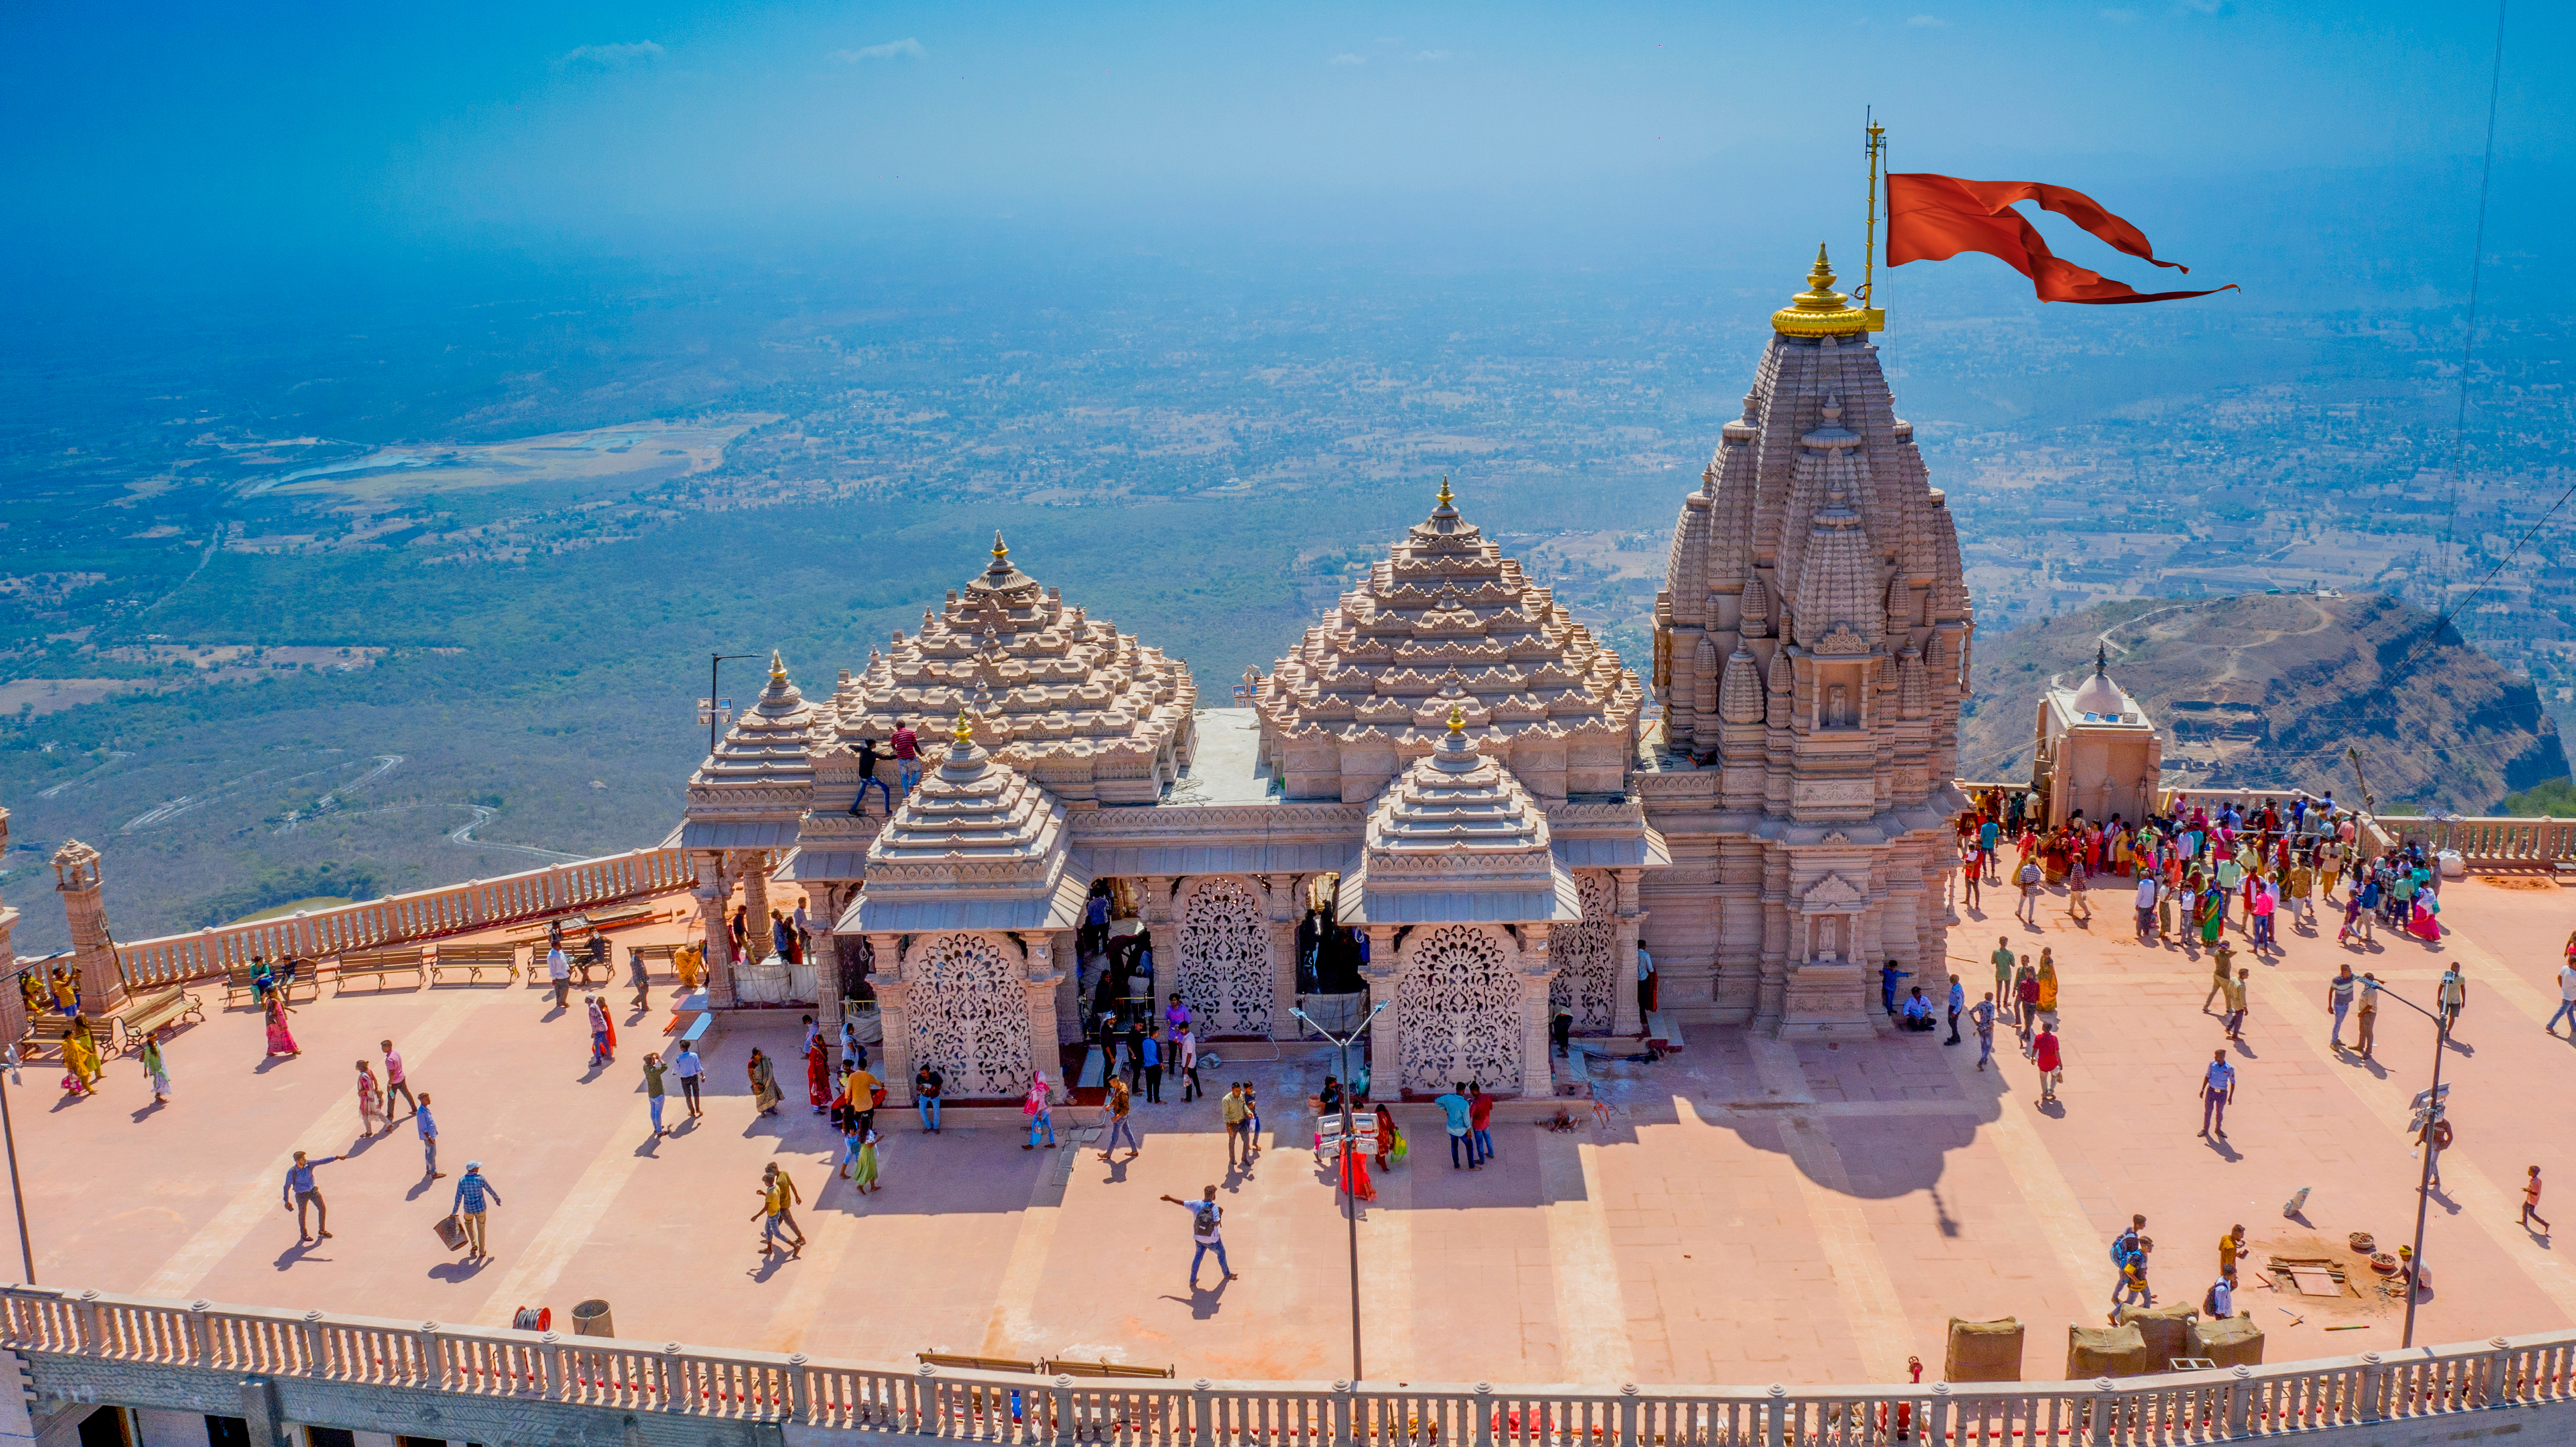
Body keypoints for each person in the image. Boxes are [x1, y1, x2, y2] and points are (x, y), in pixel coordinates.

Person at [1162, 1185, 1236, 1289]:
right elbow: (1216, 1223)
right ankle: (1227, 1274)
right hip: (1213, 1241)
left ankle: (1192, 1280)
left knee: (1198, 1258)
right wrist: (1220, 1214)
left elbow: (1182, 1203)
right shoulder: (1214, 1208)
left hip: (1199, 1238)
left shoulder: (1196, 1204)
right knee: (1222, 1254)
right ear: (1213, 1195)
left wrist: (1170, 1199)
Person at [281, 1150, 341, 1241]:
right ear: (298, 1161)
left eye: (304, 1158)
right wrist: (286, 1201)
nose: (305, 1159)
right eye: (302, 1159)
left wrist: (336, 1158)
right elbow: (287, 1187)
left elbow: (321, 1161)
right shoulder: (292, 1172)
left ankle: (322, 1230)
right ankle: (304, 1235)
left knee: (322, 1208)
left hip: (313, 1191)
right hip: (301, 1195)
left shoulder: (309, 1165)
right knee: (303, 1214)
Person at [451, 1161, 500, 1258]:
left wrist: (454, 1212)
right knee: (481, 1229)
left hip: (468, 1210)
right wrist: (496, 1198)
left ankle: (474, 1245)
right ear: (475, 1169)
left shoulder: (462, 1181)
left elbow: (458, 1197)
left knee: (469, 1225)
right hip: (481, 1208)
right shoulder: (480, 1179)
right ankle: (482, 1251)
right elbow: (489, 1189)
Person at [752, 1164, 801, 1257]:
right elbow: (779, 1193)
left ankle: (796, 1244)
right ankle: (769, 1246)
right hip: (777, 1209)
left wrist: (756, 1216)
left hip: (776, 1212)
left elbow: (768, 1205)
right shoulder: (778, 1184)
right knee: (768, 1228)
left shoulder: (776, 1187)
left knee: (780, 1230)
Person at [1436, 1082, 1477, 1169]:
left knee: (1454, 1146)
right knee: (1469, 1146)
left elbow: (1437, 1101)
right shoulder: (1465, 1104)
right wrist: (1469, 1130)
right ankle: (1472, 1166)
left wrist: (1446, 1110)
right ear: (1463, 1091)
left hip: (1451, 1128)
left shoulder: (1448, 1097)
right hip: (1461, 1130)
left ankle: (1457, 1165)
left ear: (1456, 1089)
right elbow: (1466, 1119)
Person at [850, 736, 892, 815]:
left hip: (862, 777)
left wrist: (860, 749)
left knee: (861, 793)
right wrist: (897, 756)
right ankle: (887, 810)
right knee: (886, 789)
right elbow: (887, 758)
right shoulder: (873, 754)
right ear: (873, 745)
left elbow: (851, 746)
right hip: (869, 778)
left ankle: (852, 810)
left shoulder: (863, 750)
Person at [1101, 1077, 1140, 1160]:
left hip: (1121, 1117)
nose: (1110, 1085)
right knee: (1128, 1132)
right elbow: (1116, 1099)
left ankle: (1108, 1154)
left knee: (1114, 1137)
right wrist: (1110, 1105)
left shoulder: (1123, 1092)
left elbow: (1126, 1108)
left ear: (1115, 1082)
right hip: (1123, 1117)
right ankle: (1134, 1151)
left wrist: (1117, 1117)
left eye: (1111, 1083)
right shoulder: (1119, 1087)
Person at [2200, 1050, 2236, 1140]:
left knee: (2219, 1112)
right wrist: (2203, 1089)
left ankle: (2218, 1129)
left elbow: (2233, 1083)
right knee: (2208, 1111)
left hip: (2222, 1094)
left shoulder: (2229, 1069)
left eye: (2217, 1056)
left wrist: (2230, 1097)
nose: (2215, 1058)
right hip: (2211, 1091)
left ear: (2222, 1057)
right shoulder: (2212, 1065)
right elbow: (2207, 1076)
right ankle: (2205, 1130)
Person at [382, 1039, 417, 1118]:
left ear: (387, 1048)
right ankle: (414, 1108)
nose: (382, 1049)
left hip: (394, 1082)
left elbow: (392, 1073)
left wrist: (390, 1084)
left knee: (391, 1097)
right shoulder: (396, 1053)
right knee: (407, 1094)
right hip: (401, 1078)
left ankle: (390, 1115)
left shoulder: (389, 1060)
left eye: (383, 1047)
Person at [1023, 1069, 1056, 1149]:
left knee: (1034, 1126)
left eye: (1034, 1077)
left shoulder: (1038, 1089)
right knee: (1049, 1126)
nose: (1034, 1079)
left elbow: (1040, 1102)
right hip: (1048, 1109)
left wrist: (1040, 1114)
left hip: (1042, 1111)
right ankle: (1052, 1143)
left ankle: (1031, 1145)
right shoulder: (1045, 1086)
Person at [2328, 963, 2358, 1049]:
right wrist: (2330, 1006)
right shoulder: (2337, 980)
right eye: (2349, 971)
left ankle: (2336, 1038)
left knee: (2340, 1022)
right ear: (2344, 972)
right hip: (2339, 1005)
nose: (2351, 972)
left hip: (2346, 1004)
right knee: (2338, 1023)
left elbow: (2362, 978)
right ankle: (2333, 1042)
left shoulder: (2351, 977)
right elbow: (2331, 992)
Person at [262, 991, 300, 1058]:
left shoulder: (269, 1000)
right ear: (271, 993)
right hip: (278, 1022)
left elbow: (281, 1007)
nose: (277, 993)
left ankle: (270, 1051)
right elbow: (274, 1013)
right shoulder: (273, 1001)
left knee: (274, 1036)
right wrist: (279, 1024)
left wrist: (291, 1010)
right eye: (275, 992)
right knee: (285, 1034)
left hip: (271, 1022)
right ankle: (293, 1049)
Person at [891, 717, 922, 795]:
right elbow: (915, 745)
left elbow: (893, 745)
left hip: (901, 760)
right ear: (904, 726)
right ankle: (911, 784)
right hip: (911, 758)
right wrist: (921, 754)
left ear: (898, 727)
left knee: (904, 777)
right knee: (918, 771)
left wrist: (896, 748)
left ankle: (906, 794)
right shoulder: (911, 733)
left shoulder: (895, 735)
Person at [674, 1039, 704, 1118]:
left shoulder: (679, 1058)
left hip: (685, 1079)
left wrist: (674, 1073)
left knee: (688, 1096)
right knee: (696, 1093)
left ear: (682, 1048)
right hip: (694, 1077)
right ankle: (698, 1109)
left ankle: (692, 1111)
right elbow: (698, 1066)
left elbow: (676, 1070)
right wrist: (702, 1076)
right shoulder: (694, 1055)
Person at [747, 1047, 782, 1117]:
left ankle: (773, 1109)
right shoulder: (752, 1063)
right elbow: (750, 1075)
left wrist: (772, 1079)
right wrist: (754, 1084)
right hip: (759, 1084)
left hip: (768, 1082)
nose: (761, 1055)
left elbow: (770, 1068)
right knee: (761, 1098)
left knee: (771, 1095)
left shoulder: (765, 1060)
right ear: (754, 1055)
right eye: (759, 1054)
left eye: (761, 1053)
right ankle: (762, 1112)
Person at [2033, 1023, 2063, 1104]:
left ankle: (2045, 1093)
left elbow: (2035, 1049)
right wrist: (2060, 1063)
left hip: (2043, 1062)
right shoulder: (2054, 1039)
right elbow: (2057, 1052)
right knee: (2055, 1076)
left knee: (2043, 1079)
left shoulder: (2039, 1038)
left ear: (2043, 1028)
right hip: (2053, 1061)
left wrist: (2033, 1057)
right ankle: (2051, 1091)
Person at [1222, 1082, 1250, 1167]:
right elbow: (1225, 1115)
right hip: (1233, 1124)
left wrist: (1248, 1112)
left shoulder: (1242, 1095)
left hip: (1242, 1122)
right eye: (1237, 1091)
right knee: (1232, 1142)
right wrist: (1228, 1127)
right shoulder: (1227, 1100)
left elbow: (1244, 1105)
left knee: (1247, 1140)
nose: (1239, 1092)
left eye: (1240, 1090)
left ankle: (1244, 1158)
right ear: (1233, 1090)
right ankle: (1232, 1159)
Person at [417, 1093, 443, 1178]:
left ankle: (428, 1168)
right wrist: (429, 1138)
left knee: (428, 1151)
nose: (429, 1100)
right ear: (422, 1101)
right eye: (427, 1099)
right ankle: (434, 1172)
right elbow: (423, 1127)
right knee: (432, 1153)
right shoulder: (421, 1112)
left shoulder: (426, 1109)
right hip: (429, 1137)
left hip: (432, 1135)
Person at [2355, 973, 2381, 1060]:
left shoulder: (2372, 991)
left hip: (2369, 1013)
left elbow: (2369, 1006)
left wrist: (2362, 1013)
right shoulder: (2367, 987)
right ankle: (2360, 1046)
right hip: (2363, 1012)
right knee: (2362, 1030)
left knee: (2368, 1032)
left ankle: (2368, 1052)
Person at [1469, 1082, 1496, 1163]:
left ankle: (1482, 1160)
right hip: (1486, 1122)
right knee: (1488, 1138)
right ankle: (1491, 1154)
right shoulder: (1488, 1097)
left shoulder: (1475, 1104)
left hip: (1478, 1125)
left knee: (1479, 1142)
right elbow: (1491, 1107)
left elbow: (1470, 1115)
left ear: (1474, 1092)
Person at [2221, 968, 2251, 1043]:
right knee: (2239, 1021)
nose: (2248, 975)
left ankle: (2228, 1028)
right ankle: (2235, 1036)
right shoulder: (2241, 986)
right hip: (2239, 1005)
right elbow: (2242, 998)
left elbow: (2229, 989)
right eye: (2247, 974)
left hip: (2233, 1002)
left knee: (2237, 1016)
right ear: (2244, 975)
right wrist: (2245, 1008)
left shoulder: (2234, 979)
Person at [353, 1059, 382, 1134]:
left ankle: (369, 1132)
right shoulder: (369, 1071)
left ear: (359, 1067)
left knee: (365, 1114)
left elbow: (367, 1088)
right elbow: (375, 1080)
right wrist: (376, 1089)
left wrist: (360, 1092)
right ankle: (388, 1124)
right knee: (377, 1111)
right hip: (372, 1096)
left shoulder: (363, 1077)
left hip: (366, 1098)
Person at [1971, 991, 1998, 1071]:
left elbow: (1971, 1012)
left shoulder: (1980, 1005)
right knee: (1989, 1046)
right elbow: (1991, 1017)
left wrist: (1975, 1021)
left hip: (1981, 1027)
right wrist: (1992, 1026)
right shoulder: (1992, 1007)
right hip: (1988, 1028)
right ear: (1992, 998)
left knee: (1983, 1043)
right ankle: (1981, 1062)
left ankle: (1985, 1058)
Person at [585, 995, 614, 1068]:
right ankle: (609, 1056)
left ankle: (598, 1061)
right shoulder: (595, 1006)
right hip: (603, 1027)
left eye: (586, 998)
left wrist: (594, 1032)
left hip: (599, 1029)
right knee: (605, 1042)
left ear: (589, 1000)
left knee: (597, 1045)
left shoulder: (592, 1008)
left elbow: (595, 1021)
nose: (585, 1000)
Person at [807, 1039, 834, 1115]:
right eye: (821, 1040)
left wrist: (824, 1048)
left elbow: (826, 1057)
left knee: (822, 1087)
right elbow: (812, 1065)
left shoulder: (820, 1049)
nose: (823, 1041)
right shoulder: (814, 1051)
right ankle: (816, 1109)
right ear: (817, 1041)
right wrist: (814, 1076)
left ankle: (819, 1105)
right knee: (817, 1089)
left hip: (821, 1072)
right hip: (816, 1073)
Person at [915, 1062, 944, 1132]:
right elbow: (918, 1088)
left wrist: (932, 1088)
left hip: (935, 1096)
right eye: (922, 1073)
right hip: (924, 1096)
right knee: (922, 1111)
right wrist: (920, 1087)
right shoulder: (919, 1077)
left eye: (924, 1073)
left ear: (928, 1073)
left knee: (936, 1111)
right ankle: (928, 1126)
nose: (923, 1075)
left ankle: (936, 1127)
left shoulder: (935, 1076)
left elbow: (940, 1083)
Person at [2438, 963, 2467, 1032]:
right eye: (2454, 968)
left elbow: (2463, 989)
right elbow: (2441, 987)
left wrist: (2464, 1001)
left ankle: (2448, 1032)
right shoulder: (2447, 976)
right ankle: (2443, 1027)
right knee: (2443, 1015)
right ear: (2451, 969)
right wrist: (2439, 999)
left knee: (2453, 1017)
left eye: (2458, 968)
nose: (2456, 970)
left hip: (2456, 1001)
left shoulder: (2462, 978)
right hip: (2445, 1000)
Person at [1178, 1025, 1203, 1102]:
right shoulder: (1190, 1035)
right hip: (1193, 1063)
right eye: (1180, 1030)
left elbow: (1189, 1054)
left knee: (1188, 1081)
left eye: (1183, 1030)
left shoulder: (1189, 1040)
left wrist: (1186, 1067)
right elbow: (1182, 1045)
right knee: (1195, 1078)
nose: (1181, 1032)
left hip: (1188, 1064)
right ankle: (1199, 1094)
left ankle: (1188, 1099)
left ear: (1187, 1029)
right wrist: (1178, 1043)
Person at [2015, 855, 2043, 923]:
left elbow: (2022, 880)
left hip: (2025, 889)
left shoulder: (2025, 868)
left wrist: (2025, 887)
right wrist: (2030, 884)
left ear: (2029, 861)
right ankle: (2030, 918)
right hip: (2033, 890)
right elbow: (2037, 881)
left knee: (2022, 901)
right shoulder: (2038, 871)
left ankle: (2019, 912)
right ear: (2035, 862)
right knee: (2032, 905)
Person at [2525, 1167, 2551, 1233]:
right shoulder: (2537, 1180)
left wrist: (2528, 1190)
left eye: (2530, 1171)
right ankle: (2524, 1221)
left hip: (2532, 1200)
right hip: (2530, 1198)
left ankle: (2545, 1224)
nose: (2528, 1172)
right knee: (2524, 1207)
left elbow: (2535, 1193)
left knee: (2531, 1213)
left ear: (2533, 1173)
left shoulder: (2535, 1182)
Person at [546, 945, 572, 1009]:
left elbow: (564, 961)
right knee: (560, 989)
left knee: (564, 989)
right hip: (558, 975)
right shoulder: (551, 956)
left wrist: (568, 968)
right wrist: (553, 979)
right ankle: (562, 1002)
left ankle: (561, 1002)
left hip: (564, 974)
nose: (560, 946)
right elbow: (551, 968)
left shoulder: (561, 951)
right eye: (558, 945)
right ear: (555, 946)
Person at [628, 948, 652, 1012]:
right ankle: (645, 1008)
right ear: (637, 954)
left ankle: (635, 1001)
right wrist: (640, 981)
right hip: (639, 980)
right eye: (642, 954)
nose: (643, 955)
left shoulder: (639, 959)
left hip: (643, 978)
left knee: (645, 991)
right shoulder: (635, 962)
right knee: (643, 993)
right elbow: (636, 972)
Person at [1944, 974, 1965, 1046]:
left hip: (1955, 1008)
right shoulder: (1955, 987)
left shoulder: (1957, 990)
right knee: (1951, 1022)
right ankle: (1956, 1037)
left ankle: (1955, 1039)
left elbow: (1959, 1004)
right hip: (1952, 1006)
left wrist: (1955, 1012)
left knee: (1953, 1023)